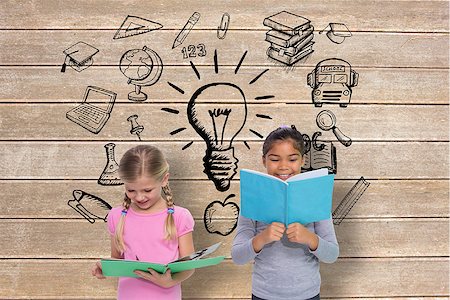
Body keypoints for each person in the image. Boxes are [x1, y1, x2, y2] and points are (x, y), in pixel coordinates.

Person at [231, 125, 339, 300]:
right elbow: (237, 256)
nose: (283, 166)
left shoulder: (316, 197)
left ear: (303, 160)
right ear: (263, 160)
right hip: (263, 295)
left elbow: (332, 254)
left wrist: (310, 238)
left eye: (292, 159)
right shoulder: (253, 199)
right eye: (274, 159)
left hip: (308, 294)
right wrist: (262, 238)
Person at [92, 145, 195, 299]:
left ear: (164, 180)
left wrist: (170, 281)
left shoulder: (180, 216)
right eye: (131, 190)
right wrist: (105, 268)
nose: (139, 197)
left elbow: (189, 266)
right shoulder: (116, 216)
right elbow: (118, 260)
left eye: (147, 190)